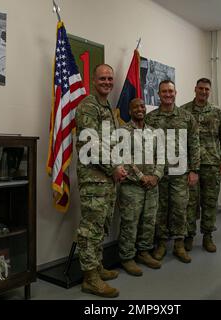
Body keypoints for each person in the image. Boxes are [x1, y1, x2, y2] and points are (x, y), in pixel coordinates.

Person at [75, 64, 127, 298]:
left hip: (106, 179)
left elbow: (109, 144)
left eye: (110, 78)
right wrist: (113, 167)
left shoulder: (106, 106)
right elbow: (90, 145)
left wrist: (119, 166)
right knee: (91, 228)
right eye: (102, 78)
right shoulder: (88, 105)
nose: (107, 82)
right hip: (94, 178)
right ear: (93, 81)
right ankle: (90, 279)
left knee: (101, 226)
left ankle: (97, 267)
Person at [145, 80, 200, 264]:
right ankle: (161, 243)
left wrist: (194, 170)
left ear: (175, 92)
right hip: (158, 173)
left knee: (179, 207)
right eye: (164, 92)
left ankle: (179, 244)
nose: (167, 94)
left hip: (180, 172)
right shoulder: (150, 118)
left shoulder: (186, 117)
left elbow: (194, 145)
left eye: (170, 91)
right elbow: (145, 147)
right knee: (160, 209)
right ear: (158, 94)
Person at [181, 78, 221, 252]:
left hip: (212, 166)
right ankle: (188, 235)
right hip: (190, 167)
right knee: (190, 203)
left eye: (207, 89)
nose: (203, 92)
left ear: (209, 91)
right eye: (201, 88)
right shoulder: (184, 111)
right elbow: (179, 142)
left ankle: (208, 236)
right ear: (195, 89)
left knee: (210, 203)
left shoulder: (217, 113)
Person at [118, 98, 163, 276]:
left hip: (152, 185)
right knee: (130, 223)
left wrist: (156, 176)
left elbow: (161, 157)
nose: (140, 109)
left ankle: (144, 252)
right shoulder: (122, 131)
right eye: (135, 106)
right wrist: (141, 176)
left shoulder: (154, 132)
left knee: (149, 221)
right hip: (131, 186)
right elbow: (122, 159)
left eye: (142, 106)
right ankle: (127, 257)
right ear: (129, 111)